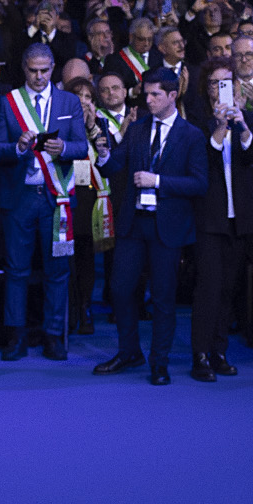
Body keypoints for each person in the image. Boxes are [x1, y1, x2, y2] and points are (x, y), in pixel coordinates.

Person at [92, 70, 206, 384]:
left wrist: (157, 181)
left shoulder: (191, 135)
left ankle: (160, 362)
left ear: (172, 96)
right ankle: (129, 351)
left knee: (163, 297)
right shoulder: (137, 128)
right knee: (120, 289)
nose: (149, 100)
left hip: (167, 226)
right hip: (134, 223)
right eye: (147, 94)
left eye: (156, 94)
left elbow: (199, 183)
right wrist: (104, 155)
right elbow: (115, 165)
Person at [0, 42, 86, 361]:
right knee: (16, 270)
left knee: (57, 270)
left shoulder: (70, 101)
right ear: (24, 68)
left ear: (53, 68)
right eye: (33, 70)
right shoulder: (9, 102)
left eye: (45, 70)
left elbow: (82, 146)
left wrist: (64, 149)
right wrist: (18, 148)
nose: (39, 76)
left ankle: (54, 335)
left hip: (56, 199)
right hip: (19, 197)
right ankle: (15, 336)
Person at [188, 58, 253, 382]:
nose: (222, 90)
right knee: (208, 287)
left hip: (239, 217)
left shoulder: (247, 118)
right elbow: (205, 159)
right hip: (209, 219)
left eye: (227, 83)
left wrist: (242, 125)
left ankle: (219, 351)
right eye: (216, 84)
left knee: (228, 288)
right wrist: (220, 126)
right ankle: (200, 354)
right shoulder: (197, 121)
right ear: (207, 89)